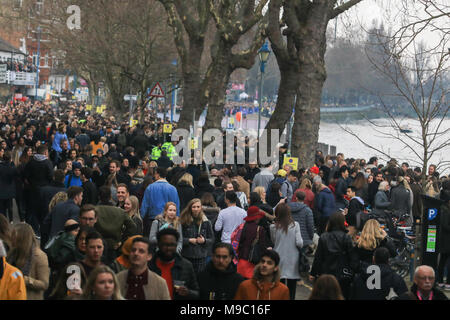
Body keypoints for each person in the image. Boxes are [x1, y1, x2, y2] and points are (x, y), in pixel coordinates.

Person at [310, 212, 359, 299]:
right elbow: (352, 258)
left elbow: (318, 258)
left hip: (325, 275)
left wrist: (313, 273)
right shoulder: (346, 238)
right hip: (342, 276)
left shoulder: (324, 237)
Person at [148, 228, 199, 300]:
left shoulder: (186, 266)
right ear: (158, 245)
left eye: (172, 245)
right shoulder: (149, 266)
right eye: (165, 245)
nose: (168, 248)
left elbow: (197, 293)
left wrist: (188, 292)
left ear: (176, 245)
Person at [7, 223, 50, 300]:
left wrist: (23, 279)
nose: (12, 241)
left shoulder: (39, 256)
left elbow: (44, 284)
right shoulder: (13, 253)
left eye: (15, 238)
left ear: (22, 239)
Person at [269, 204, 303, 300]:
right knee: (292, 287)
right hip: (293, 258)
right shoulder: (295, 225)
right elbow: (299, 242)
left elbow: (273, 241)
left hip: (278, 257)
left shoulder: (273, 227)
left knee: (279, 286)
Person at [237, 206, 273, 279]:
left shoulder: (242, 227)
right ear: (256, 217)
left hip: (241, 260)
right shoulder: (260, 229)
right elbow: (262, 247)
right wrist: (268, 250)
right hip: (253, 262)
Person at [180, 198, 214, 274]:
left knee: (199, 278)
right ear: (190, 208)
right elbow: (178, 238)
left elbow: (211, 239)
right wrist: (189, 240)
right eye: (194, 207)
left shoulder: (206, 221)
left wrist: (204, 241)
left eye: (198, 207)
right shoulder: (183, 221)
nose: (196, 209)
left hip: (200, 256)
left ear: (201, 208)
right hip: (187, 255)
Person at [437, 188, 450, 290]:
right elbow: (445, 225)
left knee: (442, 261)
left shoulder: (442, 209)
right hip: (447, 240)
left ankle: (440, 281)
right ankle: (447, 282)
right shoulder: (445, 210)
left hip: (444, 240)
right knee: (446, 261)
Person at [0, 151, 18, 222]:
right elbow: (16, 175)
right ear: (10, 159)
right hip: (10, 189)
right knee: (10, 206)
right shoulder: (13, 167)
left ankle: (3, 220)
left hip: (1, 189)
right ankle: (11, 220)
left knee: (2, 208)